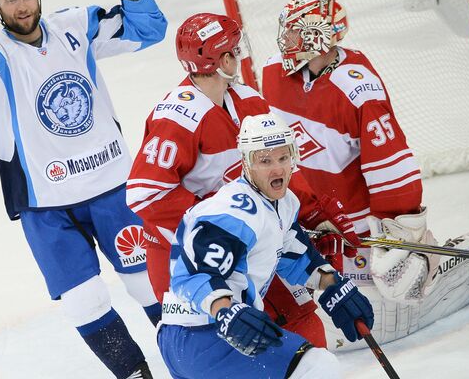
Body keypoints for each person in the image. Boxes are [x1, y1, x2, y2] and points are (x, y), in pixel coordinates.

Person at [0, 0, 166, 377]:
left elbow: (149, 30)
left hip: (111, 186)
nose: (21, 6)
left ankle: (188, 356)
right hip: (44, 205)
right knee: (84, 301)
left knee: (147, 283)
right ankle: (134, 373)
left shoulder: (77, 25)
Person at [261, 0, 469, 349]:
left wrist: (403, 230)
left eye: (295, 34)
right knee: (301, 316)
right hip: (307, 219)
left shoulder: (357, 87)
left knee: (367, 326)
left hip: (356, 226)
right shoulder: (271, 74)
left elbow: (390, 162)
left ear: (320, 36)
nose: (286, 42)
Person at [126, 12, 356, 347]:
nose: (240, 54)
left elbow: (277, 161)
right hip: (190, 262)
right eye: (234, 49)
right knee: (233, 353)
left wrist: (311, 215)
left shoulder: (246, 99)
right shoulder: (177, 119)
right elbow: (144, 194)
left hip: (248, 244)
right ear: (221, 59)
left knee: (304, 329)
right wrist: (224, 224)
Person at [157, 112, 374, 379]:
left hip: (198, 336)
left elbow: (295, 254)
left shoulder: (284, 203)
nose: (278, 169)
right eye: (265, 161)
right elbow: (192, 276)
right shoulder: (234, 212)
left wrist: (333, 284)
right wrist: (225, 311)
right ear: (247, 164)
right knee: (317, 366)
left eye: (283, 158)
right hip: (200, 335)